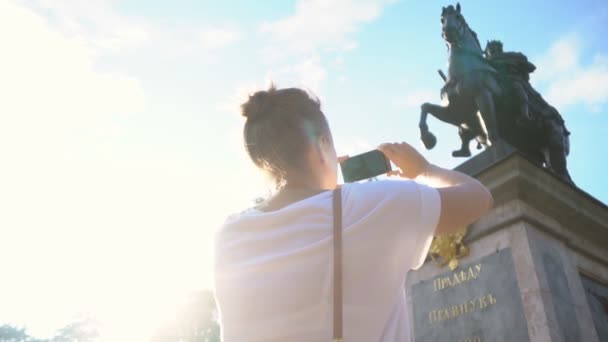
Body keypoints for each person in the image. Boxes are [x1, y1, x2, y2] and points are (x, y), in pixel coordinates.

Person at [213, 85, 493, 342]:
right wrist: (424, 170)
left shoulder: (230, 236)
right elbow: (478, 197)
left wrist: (329, 187)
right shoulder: (372, 206)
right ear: (322, 144)